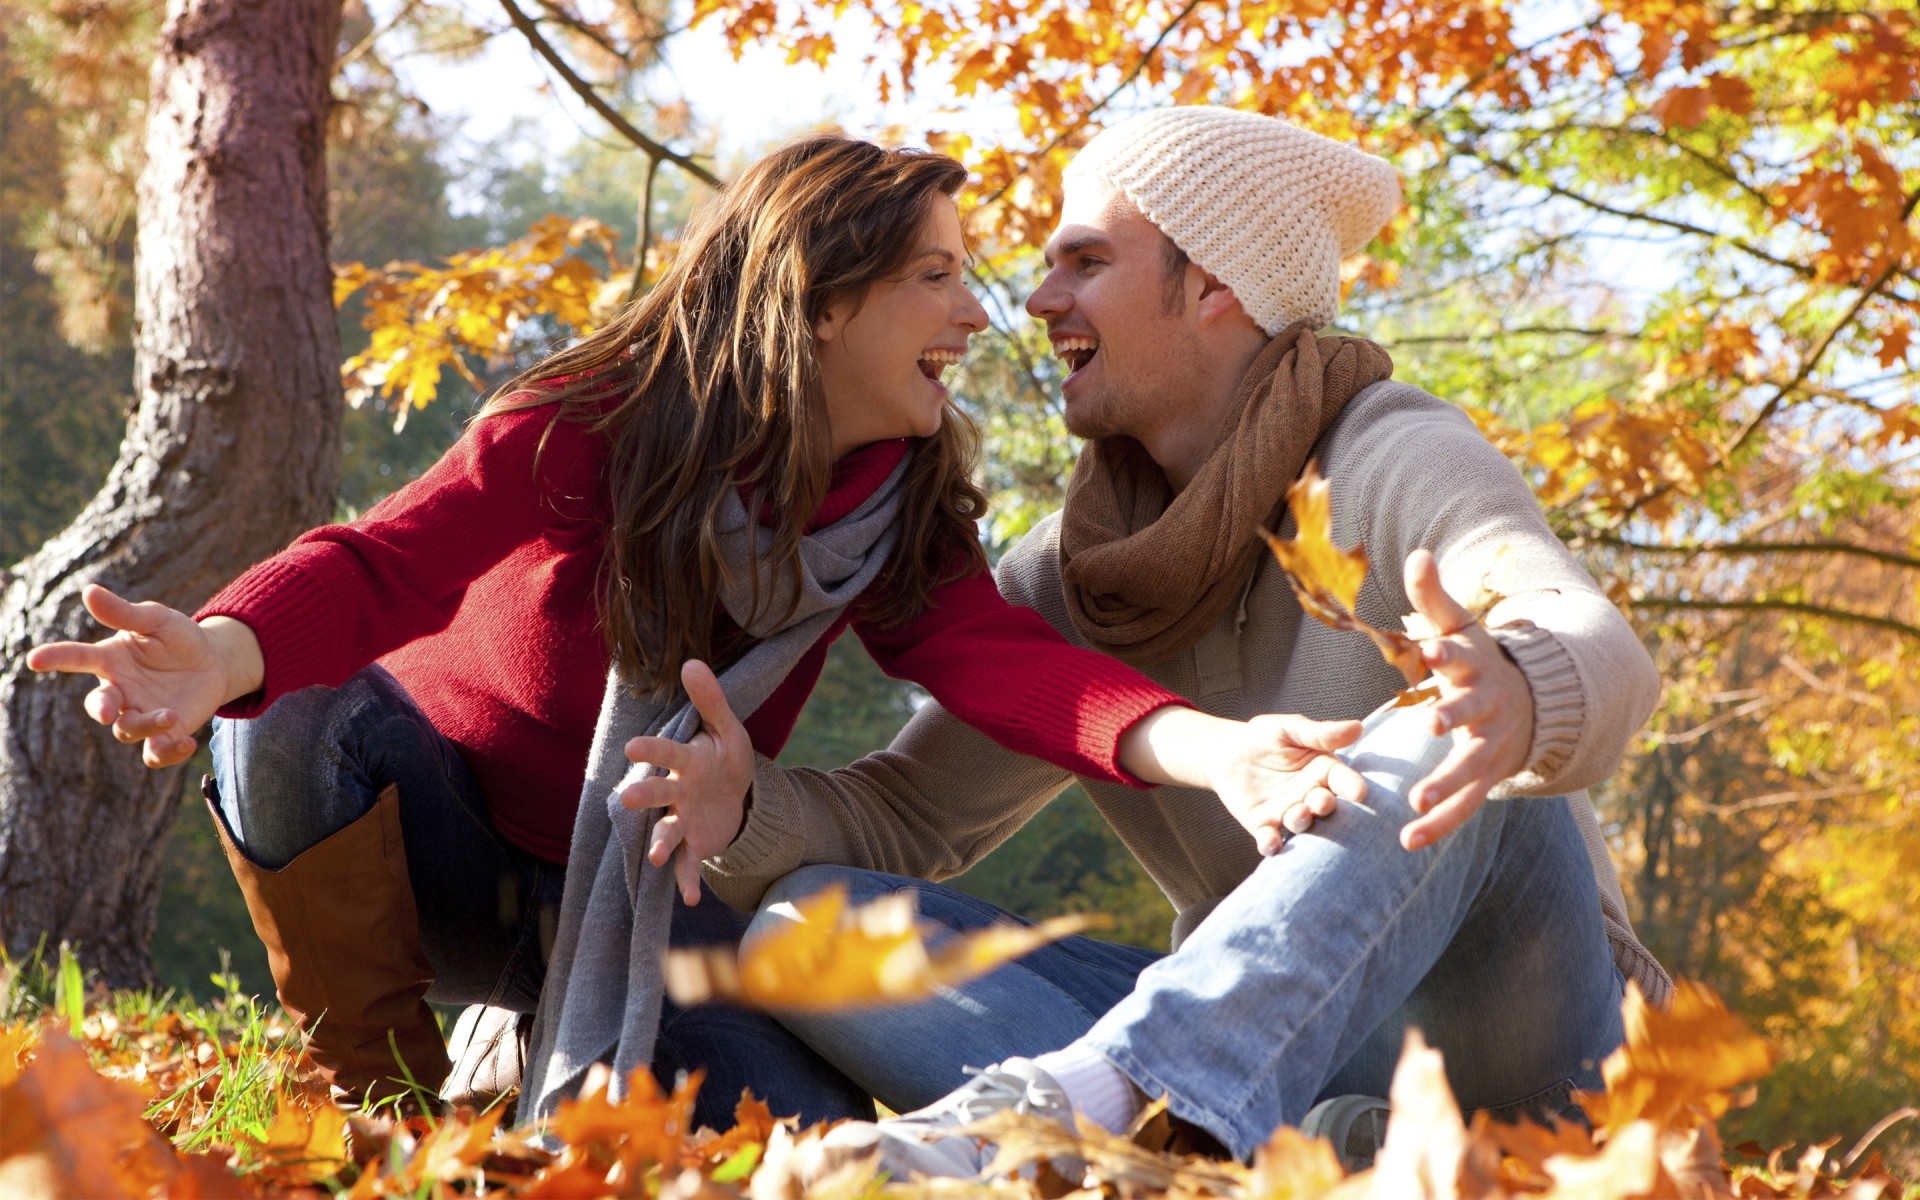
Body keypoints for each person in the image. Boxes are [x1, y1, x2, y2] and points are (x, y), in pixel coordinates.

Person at [24, 133, 1370, 1130]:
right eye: (937, 278)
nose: (979, 314)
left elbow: (1005, 667)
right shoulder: (594, 421)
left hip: (635, 895)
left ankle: (534, 1043)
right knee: (294, 716)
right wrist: (219, 652)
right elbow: (384, 565)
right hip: (434, 841)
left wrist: (1225, 754)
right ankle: (371, 1097)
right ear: (823, 295)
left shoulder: (900, 506)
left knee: (790, 1128)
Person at [663, 108, 1672, 1171]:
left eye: (1086, 263)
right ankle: (1268, 1155)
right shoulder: (1074, 573)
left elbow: (1590, 636)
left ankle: (1101, 1115)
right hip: (1266, 1056)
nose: (1039, 302)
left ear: (1214, 287)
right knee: (808, 930)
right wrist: (745, 810)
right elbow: (911, 813)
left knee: (1439, 730)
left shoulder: (1388, 450)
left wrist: (1512, 693)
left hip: (1526, 1059)